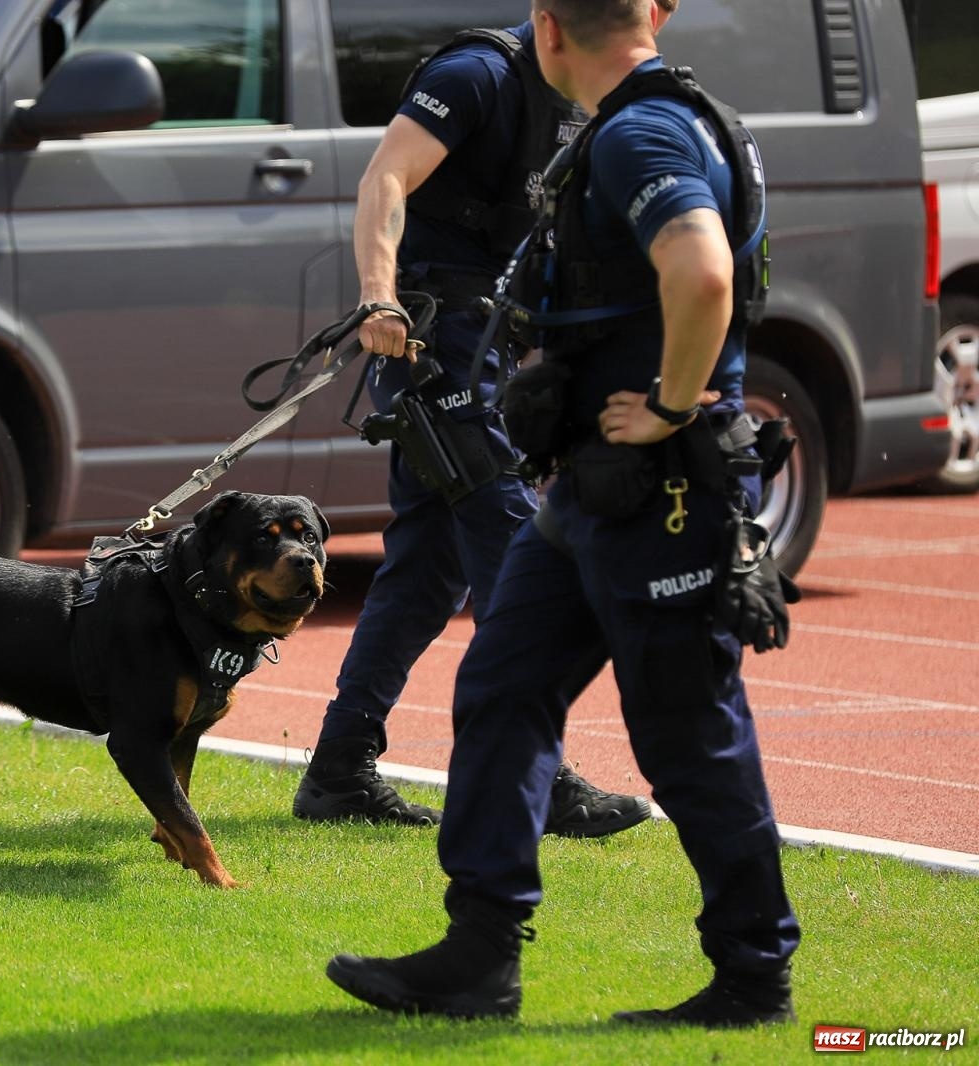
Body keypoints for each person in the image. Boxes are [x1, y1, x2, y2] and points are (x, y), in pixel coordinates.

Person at [325, 0, 801, 1028]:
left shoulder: (640, 133)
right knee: (501, 681)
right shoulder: (626, 121)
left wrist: (670, 406)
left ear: (547, 25)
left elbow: (703, 271)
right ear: (658, 13)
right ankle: (478, 952)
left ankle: (753, 976)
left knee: (686, 732)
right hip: (586, 492)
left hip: (660, 494)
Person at [291, 13, 658, 838]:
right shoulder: (478, 76)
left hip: (489, 343)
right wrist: (377, 296)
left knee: (426, 569)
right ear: (549, 21)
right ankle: (540, 779)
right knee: (514, 543)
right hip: (427, 340)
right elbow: (385, 179)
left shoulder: (589, 95)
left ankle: (337, 772)